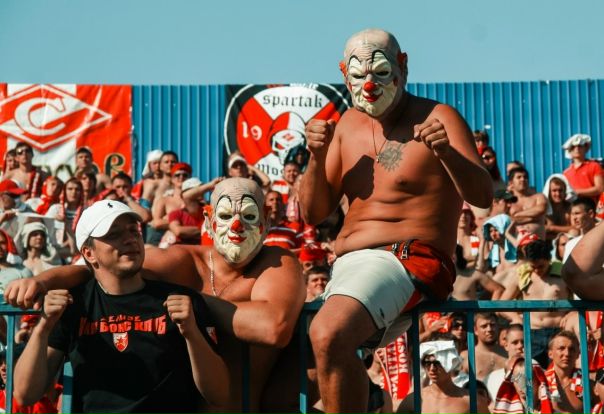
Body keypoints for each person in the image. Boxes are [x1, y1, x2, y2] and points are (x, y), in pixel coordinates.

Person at [299, 28, 493, 413]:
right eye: (358, 75)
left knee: (327, 332)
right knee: (295, 365)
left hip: (409, 258)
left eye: (381, 72)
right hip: (350, 267)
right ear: (344, 74)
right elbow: (313, 213)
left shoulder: (439, 116)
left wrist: (447, 152)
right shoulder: (346, 124)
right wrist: (316, 157)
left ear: (403, 66)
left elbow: (483, 196)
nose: (370, 84)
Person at [5, 178, 305, 413]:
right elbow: (96, 270)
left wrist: (192, 309)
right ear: (209, 220)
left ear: (266, 222)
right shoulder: (178, 263)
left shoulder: (277, 262)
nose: (237, 226)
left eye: (249, 216)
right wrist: (41, 282)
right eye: (226, 215)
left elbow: (273, 327)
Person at [13, 200, 228, 413]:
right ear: (89, 253)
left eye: (134, 231)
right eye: (114, 234)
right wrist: (43, 327)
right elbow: (25, 394)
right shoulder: (74, 304)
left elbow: (219, 394)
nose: (130, 239)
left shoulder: (182, 301)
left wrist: (191, 333)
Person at [500, 239, 572, 368]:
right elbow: (501, 304)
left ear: (549, 259)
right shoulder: (522, 275)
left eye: (541, 266)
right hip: (531, 332)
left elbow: (580, 298)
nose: (537, 270)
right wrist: (516, 317)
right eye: (533, 267)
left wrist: (571, 314)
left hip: (558, 331)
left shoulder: (563, 274)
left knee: (558, 371)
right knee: (531, 372)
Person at [397, 340, 490, 414]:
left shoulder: (472, 400)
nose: (432, 368)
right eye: (427, 363)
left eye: (437, 363)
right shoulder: (415, 399)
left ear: (450, 363)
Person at [561, 211, 604, 300]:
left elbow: (579, 275)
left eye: (577, 213)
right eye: (573, 214)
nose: (574, 218)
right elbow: (576, 274)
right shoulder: (570, 244)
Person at [544, 330, 585, 414]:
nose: (567, 353)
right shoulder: (542, 382)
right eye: (561, 348)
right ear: (550, 354)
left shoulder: (586, 383)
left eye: (571, 349)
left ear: (578, 354)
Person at [460, 313, 507, 382]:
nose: (489, 329)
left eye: (492, 325)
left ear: (498, 327)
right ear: (475, 330)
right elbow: (459, 383)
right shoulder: (467, 356)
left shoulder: (507, 353)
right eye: (484, 326)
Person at [562, 133, 604, 203]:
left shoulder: (594, 166)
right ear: (569, 151)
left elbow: (600, 188)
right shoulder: (566, 173)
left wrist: (578, 192)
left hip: (592, 206)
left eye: (580, 146)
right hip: (573, 207)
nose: (577, 149)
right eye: (573, 147)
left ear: (585, 148)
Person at [508, 167, 547, 240]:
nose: (523, 179)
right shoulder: (507, 201)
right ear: (511, 183)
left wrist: (516, 215)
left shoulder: (539, 197)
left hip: (538, 243)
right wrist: (533, 217)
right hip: (515, 243)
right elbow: (506, 220)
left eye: (525, 177)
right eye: (519, 177)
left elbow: (541, 209)